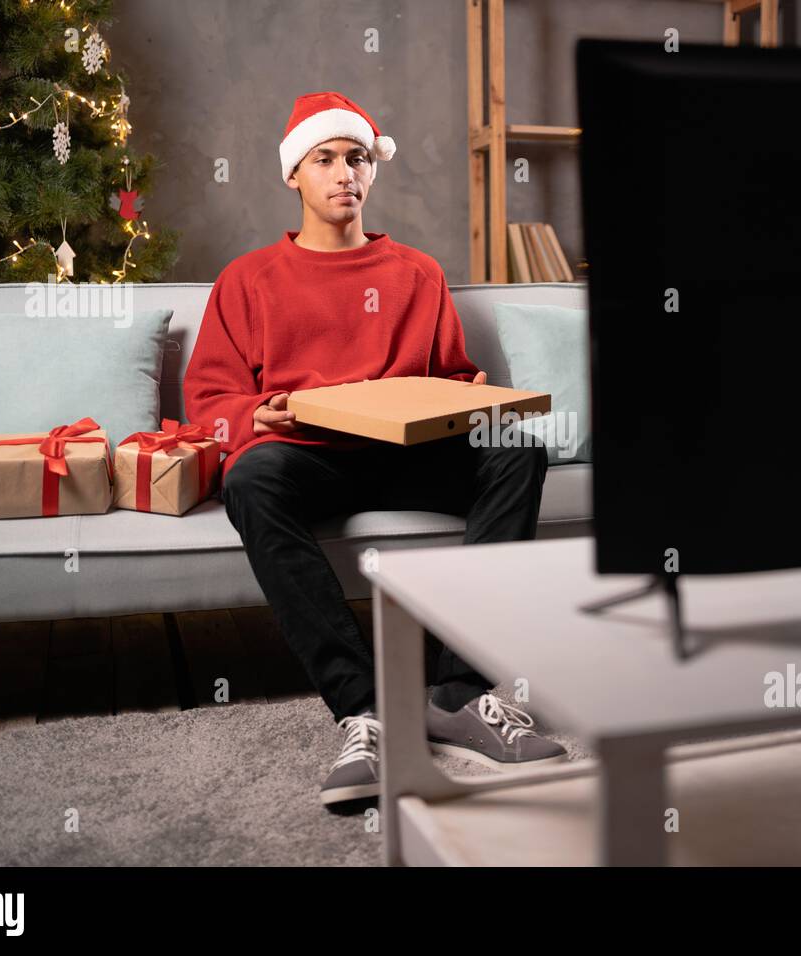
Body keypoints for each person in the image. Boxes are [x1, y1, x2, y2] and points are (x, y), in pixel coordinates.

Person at [183, 91, 567, 807]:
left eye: (356, 157)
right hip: (310, 456)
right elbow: (209, 402)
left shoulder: (417, 273)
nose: (343, 173)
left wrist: (468, 393)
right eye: (324, 158)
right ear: (293, 174)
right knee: (253, 479)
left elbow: (448, 376)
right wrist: (253, 415)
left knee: (516, 450)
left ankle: (459, 691)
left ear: (373, 170)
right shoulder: (248, 279)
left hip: (406, 455)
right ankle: (363, 709)